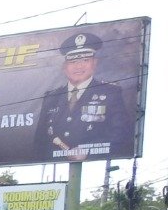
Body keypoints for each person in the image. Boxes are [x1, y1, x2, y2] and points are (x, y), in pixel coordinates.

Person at [33, 31, 133, 162]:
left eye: (85, 60)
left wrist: (89, 152)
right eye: (73, 61)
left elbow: (121, 135)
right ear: (65, 67)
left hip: (93, 167)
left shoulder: (111, 93)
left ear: (94, 63)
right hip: (57, 166)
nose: (78, 66)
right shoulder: (52, 97)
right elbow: (40, 142)